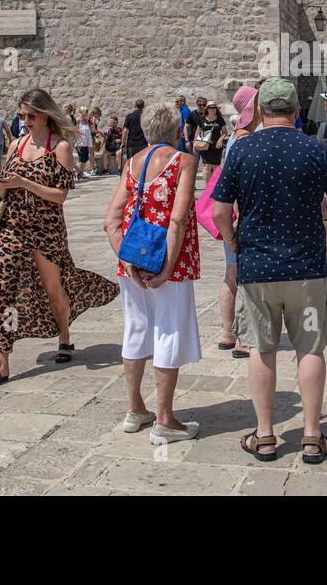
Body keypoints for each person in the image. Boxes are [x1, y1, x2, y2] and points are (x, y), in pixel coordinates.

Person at [211, 77, 327, 465]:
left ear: (260, 111)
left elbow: (219, 212)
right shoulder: (315, 149)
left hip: (258, 268)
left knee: (263, 349)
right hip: (306, 269)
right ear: (295, 112)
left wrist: (232, 241)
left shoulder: (242, 150)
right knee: (309, 347)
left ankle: (265, 435)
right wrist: (326, 207)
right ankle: (311, 435)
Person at [0, 88, 119, 392]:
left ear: (45, 114)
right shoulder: (15, 145)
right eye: (22, 115)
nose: (26, 120)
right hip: (12, 228)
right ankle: (2, 360)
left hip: (47, 231)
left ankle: (64, 335)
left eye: (31, 115)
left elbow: (60, 196)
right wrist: (2, 186)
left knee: (54, 290)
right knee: (5, 292)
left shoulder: (61, 147)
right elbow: (4, 190)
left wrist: (23, 182)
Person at [102, 102, 203, 444]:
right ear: (177, 131)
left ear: (144, 131)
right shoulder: (183, 162)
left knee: (136, 329)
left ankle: (135, 409)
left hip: (132, 263)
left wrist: (128, 259)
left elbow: (110, 220)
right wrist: (166, 270)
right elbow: (177, 219)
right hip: (169, 262)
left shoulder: (131, 164)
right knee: (168, 331)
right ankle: (164, 418)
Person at [215, 86, 259, 358]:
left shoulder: (234, 138)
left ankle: (227, 332)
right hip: (243, 217)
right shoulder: (245, 139)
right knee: (243, 276)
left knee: (231, 274)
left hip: (233, 217)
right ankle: (243, 336)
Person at [193, 101, 228, 181]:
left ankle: (215, 186)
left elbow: (225, 133)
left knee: (216, 166)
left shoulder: (220, 119)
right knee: (207, 166)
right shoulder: (202, 119)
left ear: (216, 109)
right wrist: (195, 143)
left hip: (217, 146)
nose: (212, 109)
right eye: (210, 108)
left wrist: (221, 139)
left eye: (214, 108)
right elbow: (198, 132)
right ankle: (208, 187)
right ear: (207, 109)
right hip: (205, 146)